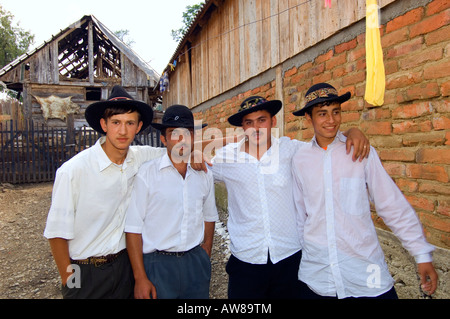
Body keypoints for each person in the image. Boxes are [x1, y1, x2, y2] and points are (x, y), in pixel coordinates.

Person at [210, 95, 370, 299]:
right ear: (243, 127)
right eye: (249, 122)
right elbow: (198, 173)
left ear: (273, 121)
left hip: (289, 258)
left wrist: (352, 132)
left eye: (262, 120)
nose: (256, 127)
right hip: (246, 261)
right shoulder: (226, 158)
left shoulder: (292, 150)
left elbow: (324, 142)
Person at [291, 82, 438, 299]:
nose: (331, 120)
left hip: (364, 272)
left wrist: (421, 253)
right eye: (322, 114)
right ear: (308, 119)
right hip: (318, 275)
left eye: (336, 112)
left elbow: (391, 204)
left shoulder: (361, 152)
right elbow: (299, 215)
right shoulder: (300, 159)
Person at [43, 85, 168, 299]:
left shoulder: (139, 157)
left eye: (129, 123)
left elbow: (175, 152)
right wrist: (70, 281)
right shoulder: (74, 171)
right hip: (86, 270)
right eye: (116, 123)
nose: (122, 131)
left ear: (138, 127)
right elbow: (56, 233)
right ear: (104, 125)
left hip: (124, 266)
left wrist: (195, 155)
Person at [125, 105, 219, 299]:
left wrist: (205, 253)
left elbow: (209, 216)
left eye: (187, 133)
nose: (181, 139)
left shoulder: (203, 174)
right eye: (174, 133)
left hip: (195, 262)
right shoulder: (148, 174)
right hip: (158, 264)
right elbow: (133, 228)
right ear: (163, 138)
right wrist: (141, 277)